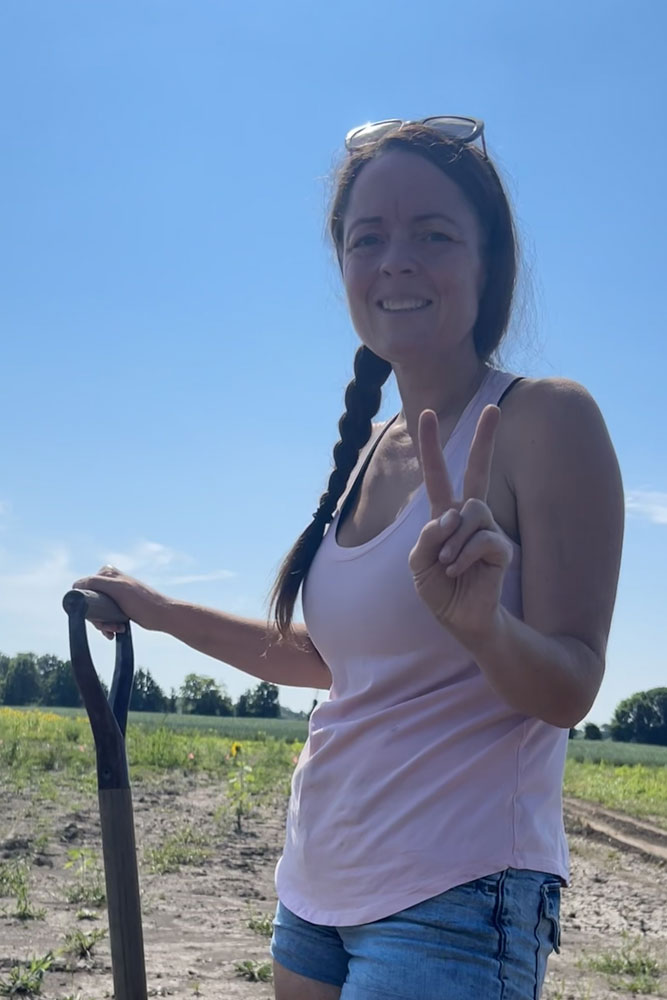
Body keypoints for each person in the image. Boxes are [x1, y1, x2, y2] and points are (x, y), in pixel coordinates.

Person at [74, 117, 624, 999]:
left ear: (488, 265)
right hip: (317, 885)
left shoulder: (545, 420)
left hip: (457, 894)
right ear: (343, 270)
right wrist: (154, 608)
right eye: (367, 238)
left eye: (433, 234)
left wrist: (482, 629)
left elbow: (568, 688)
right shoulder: (368, 448)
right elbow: (331, 664)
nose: (395, 259)